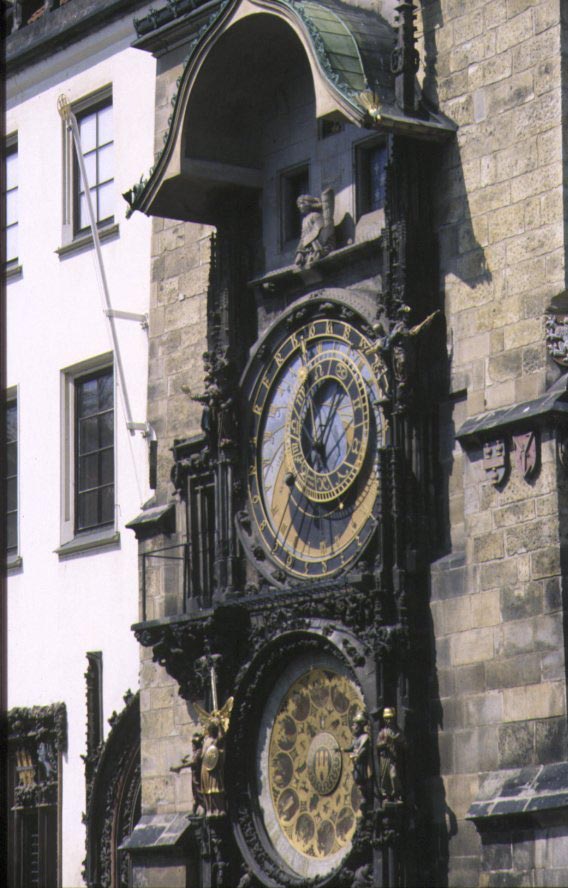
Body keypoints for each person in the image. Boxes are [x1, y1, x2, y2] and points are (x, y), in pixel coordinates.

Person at [376, 707, 405, 803]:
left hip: (394, 758)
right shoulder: (382, 732)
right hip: (385, 758)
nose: (388, 720)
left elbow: (405, 744)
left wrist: (397, 742)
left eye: (390, 718)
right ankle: (386, 796)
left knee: (394, 775)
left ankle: (397, 795)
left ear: (393, 718)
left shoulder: (398, 732)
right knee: (384, 777)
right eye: (386, 718)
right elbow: (377, 745)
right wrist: (385, 743)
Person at [201, 718, 226, 816]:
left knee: (215, 788)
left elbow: (222, 737)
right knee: (207, 791)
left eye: (209, 729)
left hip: (213, 767)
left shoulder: (214, 741)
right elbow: (203, 755)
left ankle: (220, 809)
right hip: (205, 766)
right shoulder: (206, 740)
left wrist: (219, 725)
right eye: (208, 729)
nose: (208, 730)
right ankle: (210, 809)